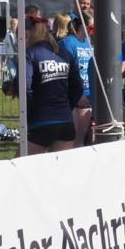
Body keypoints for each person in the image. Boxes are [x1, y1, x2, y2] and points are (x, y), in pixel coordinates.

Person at [26, 13, 87, 154]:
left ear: (29, 34)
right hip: (65, 123)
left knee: (22, 164)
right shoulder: (64, 53)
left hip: (41, 121)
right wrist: (66, 107)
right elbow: (78, 87)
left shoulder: (30, 53)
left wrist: (30, 114)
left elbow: (25, 88)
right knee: (59, 167)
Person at [59, 12, 94, 147]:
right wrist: (77, 95)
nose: (93, 31)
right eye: (91, 27)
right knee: (75, 139)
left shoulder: (88, 42)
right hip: (75, 98)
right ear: (83, 26)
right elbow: (64, 72)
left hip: (90, 96)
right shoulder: (67, 43)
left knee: (87, 139)